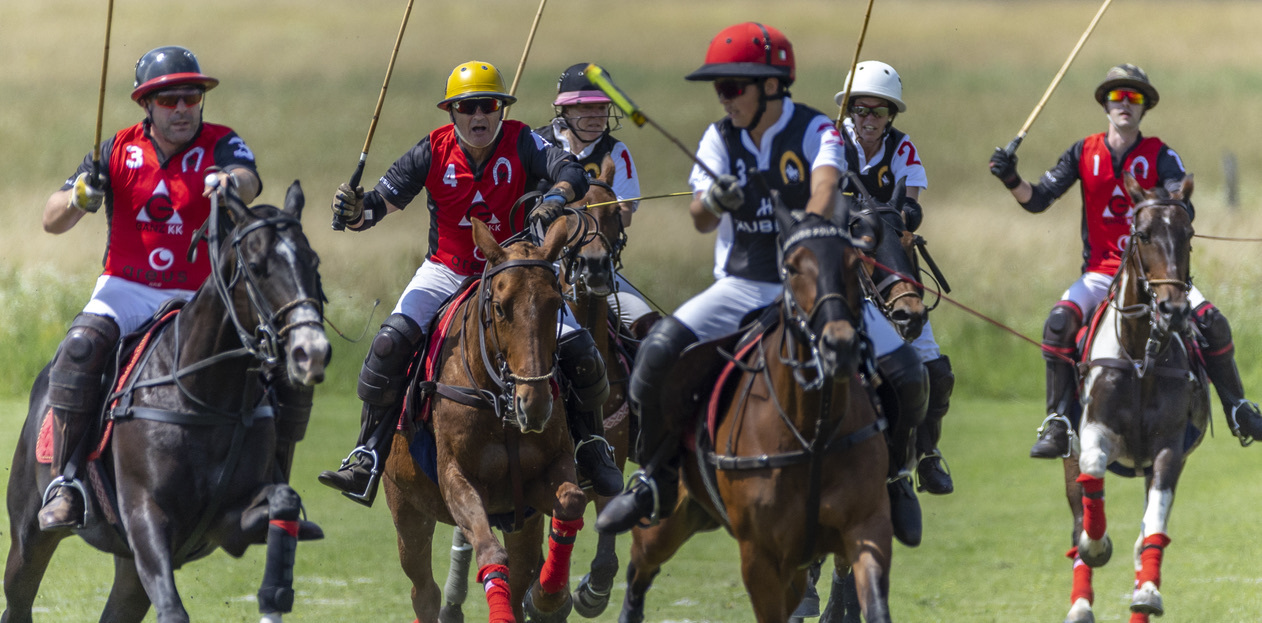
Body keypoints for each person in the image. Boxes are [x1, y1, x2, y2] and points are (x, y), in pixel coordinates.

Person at [595, 23, 928, 547]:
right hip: (743, 285)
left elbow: (823, 196)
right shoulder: (718, 138)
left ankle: (897, 478)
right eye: (719, 89)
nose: (724, 98)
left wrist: (796, 220)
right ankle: (655, 477)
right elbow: (700, 216)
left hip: (813, 287)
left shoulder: (820, 132)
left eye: (732, 87)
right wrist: (718, 199)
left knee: (908, 374)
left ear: (770, 85)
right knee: (656, 354)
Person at [317, 60, 624, 506]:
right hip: (447, 268)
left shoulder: (522, 140)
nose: (478, 116)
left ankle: (592, 447)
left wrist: (555, 197)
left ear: (501, 109)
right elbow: (379, 205)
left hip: (515, 272)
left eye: (488, 105)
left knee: (581, 350)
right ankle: (367, 453)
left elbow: (573, 172)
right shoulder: (432, 150)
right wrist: (354, 211)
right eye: (467, 107)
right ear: (452, 112)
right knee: (388, 345)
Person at [37, 46, 278, 531]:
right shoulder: (114, 150)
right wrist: (81, 196)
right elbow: (51, 219)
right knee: (79, 349)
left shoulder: (221, 143)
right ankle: (66, 482)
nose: (183, 109)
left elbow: (249, 178)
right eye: (170, 101)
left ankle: (272, 486)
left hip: (203, 295)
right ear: (146, 104)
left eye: (192, 98)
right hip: (126, 287)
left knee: (276, 358)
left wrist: (229, 183)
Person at [988, 63, 1262, 458]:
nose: (1125, 104)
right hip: (1102, 272)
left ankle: (1237, 409)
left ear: (1144, 107)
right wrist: (1011, 178)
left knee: (1212, 322)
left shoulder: (1161, 154)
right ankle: (1058, 422)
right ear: (1105, 102)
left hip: (1159, 275)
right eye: (1118, 96)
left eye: (1134, 97)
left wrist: (1172, 202)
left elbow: (1180, 199)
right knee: (1059, 323)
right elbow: (1039, 199)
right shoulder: (1083, 151)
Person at [836, 60, 955, 495]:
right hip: (839, 264)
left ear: (891, 116)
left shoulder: (902, 148)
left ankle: (925, 453)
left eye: (878, 112)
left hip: (889, 267)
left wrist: (893, 216)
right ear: (850, 112)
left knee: (936, 372)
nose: (869, 120)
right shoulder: (830, 143)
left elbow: (912, 204)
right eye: (861, 111)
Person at [534, 62, 656, 332]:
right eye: (586, 107)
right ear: (565, 110)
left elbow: (624, 215)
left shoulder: (616, 151)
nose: (597, 116)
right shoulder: (537, 144)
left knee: (651, 329)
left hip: (597, 261)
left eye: (602, 107)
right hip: (538, 263)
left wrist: (597, 208)